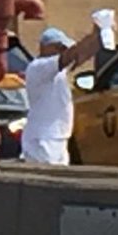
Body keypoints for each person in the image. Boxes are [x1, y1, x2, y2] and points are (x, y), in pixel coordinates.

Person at [22, 18, 108, 166]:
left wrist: (100, 35)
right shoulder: (39, 67)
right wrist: (94, 34)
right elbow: (69, 56)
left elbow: (81, 56)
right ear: (47, 47)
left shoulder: (54, 71)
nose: (63, 52)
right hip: (44, 139)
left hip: (56, 137)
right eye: (60, 48)